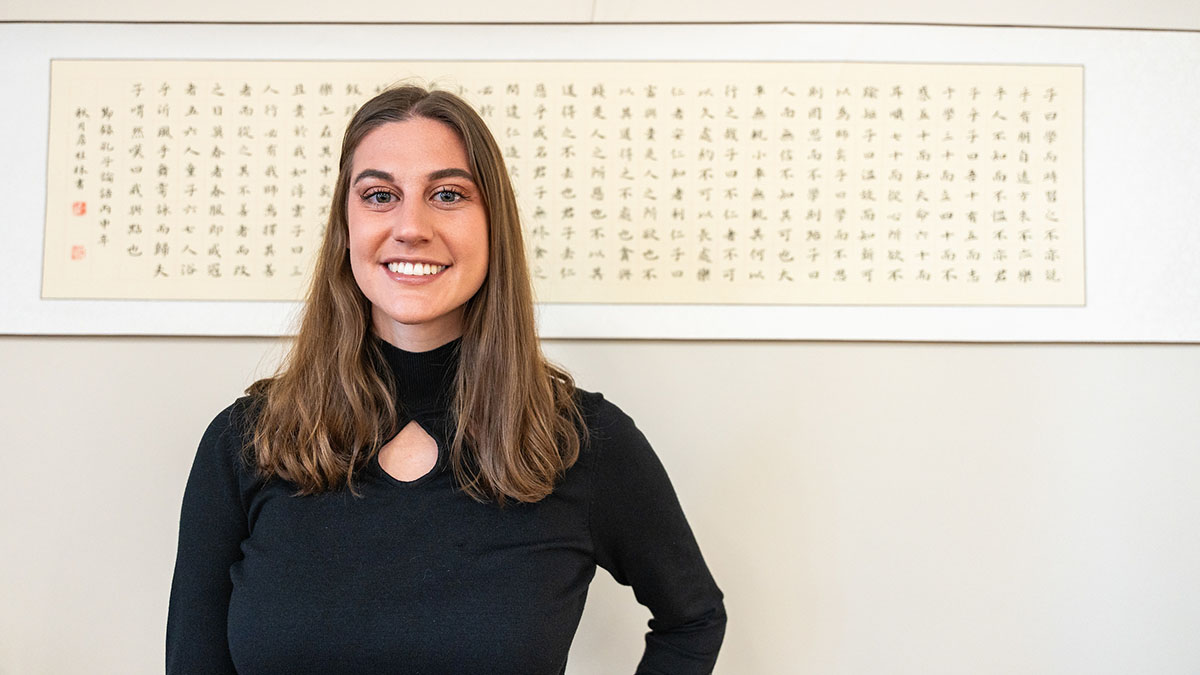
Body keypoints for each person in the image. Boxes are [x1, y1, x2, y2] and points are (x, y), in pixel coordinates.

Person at [166, 84, 726, 674]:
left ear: (493, 226)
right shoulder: (247, 443)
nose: (411, 226)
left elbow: (692, 620)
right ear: (346, 227)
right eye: (380, 195)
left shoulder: (579, 442)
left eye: (448, 194)